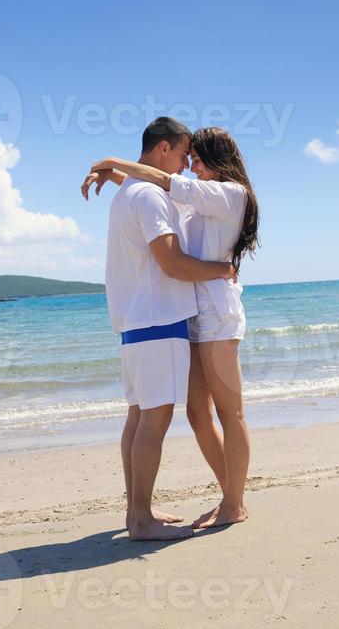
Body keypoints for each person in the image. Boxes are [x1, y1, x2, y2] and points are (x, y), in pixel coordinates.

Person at [82, 126, 259, 530]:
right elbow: (155, 198)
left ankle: (234, 502)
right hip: (189, 314)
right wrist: (115, 179)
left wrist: (108, 162)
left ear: (217, 156)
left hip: (217, 313)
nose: (191, 163)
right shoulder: (198, 200)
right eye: (188, 155)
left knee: (230, 413)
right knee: (198, 413)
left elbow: (162, 180)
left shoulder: (232, 193)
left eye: (197, 157)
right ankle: (228, 493)